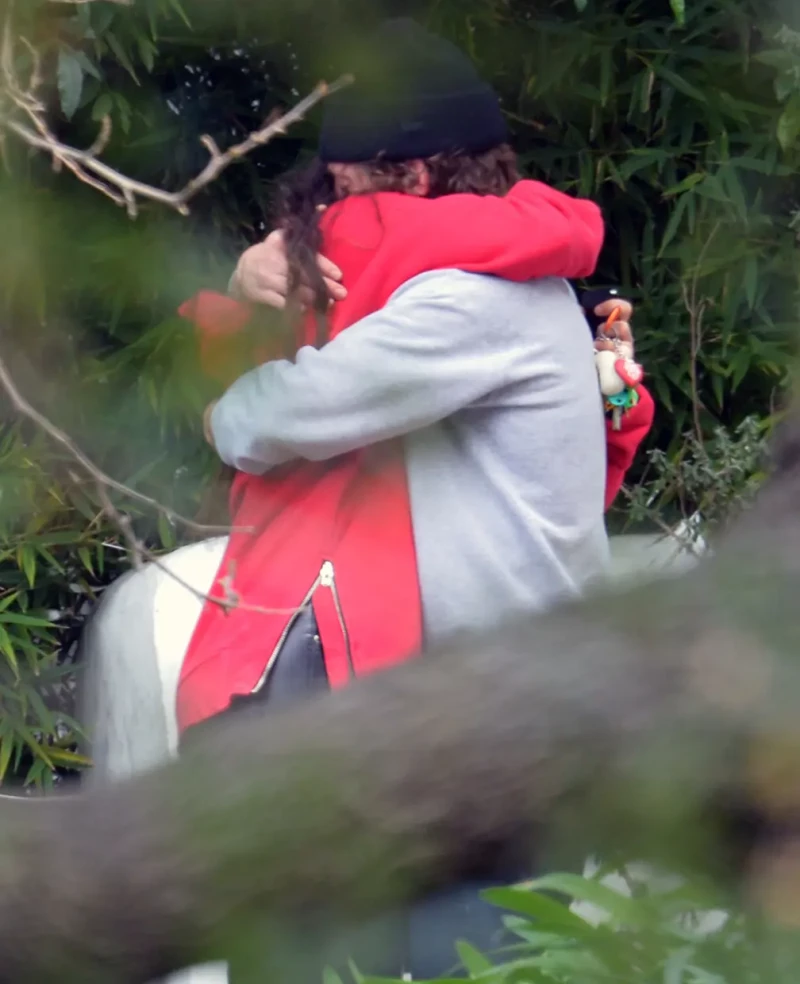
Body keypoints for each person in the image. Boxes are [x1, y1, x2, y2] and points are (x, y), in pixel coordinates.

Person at [176, 17, 654, 979]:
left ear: (419, 180)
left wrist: (234, 297)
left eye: (348, 194)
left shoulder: (468, 302)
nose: (332, 215)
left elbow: (265, 417)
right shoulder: (517, 283)